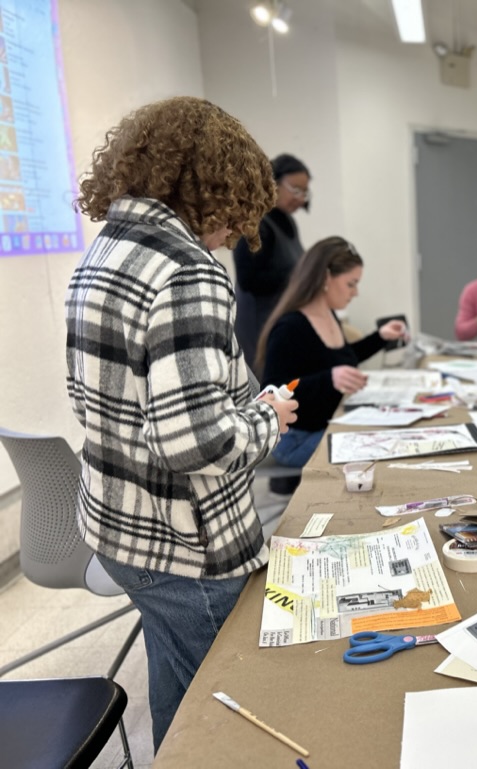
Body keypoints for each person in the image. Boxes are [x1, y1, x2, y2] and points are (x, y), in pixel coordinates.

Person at [66, 97, 299, 751]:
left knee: (180, 684)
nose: (232, 235)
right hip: (186, 544)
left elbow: (115, 401)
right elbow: (194, 441)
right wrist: (267, 417)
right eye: (233, 216)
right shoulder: (187, 272)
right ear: (210, 190)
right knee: (228, 712)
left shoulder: (106, 251)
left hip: (119, 524)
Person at [259, 236, 408, 470]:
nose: (355, 292)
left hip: (328, 425)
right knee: (382, 449)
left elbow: (341, 359)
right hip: (296, 439)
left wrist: (381, 336)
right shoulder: (290, 327)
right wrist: (329, 379)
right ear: (326, 277)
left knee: (393, 435)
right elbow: (272, 393)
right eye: (351, 284)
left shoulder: (328, 315)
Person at [233, 152, 311, 374]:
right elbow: (249, 279)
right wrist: (298, 276)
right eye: (295, 189)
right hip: (260, 328)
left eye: (304, 192)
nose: (300, 198)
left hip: (282, 323)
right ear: (273, 182)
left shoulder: (287, 221)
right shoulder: (256, 223)